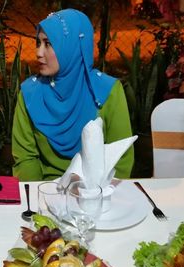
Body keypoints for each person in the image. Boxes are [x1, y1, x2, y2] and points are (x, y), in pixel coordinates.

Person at [12, 9, 134, 181]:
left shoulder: (107, 91)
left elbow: (121, 157)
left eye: (48, 43)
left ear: (72, 46)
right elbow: (25, 159)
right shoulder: (30, 94)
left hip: (97, 192)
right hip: (46, 191)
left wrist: (97, 196)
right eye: (38, 43)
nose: (39, 53)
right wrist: (38, 197)